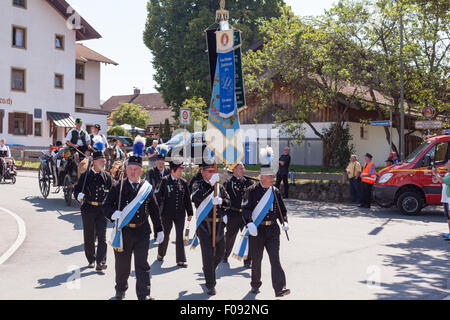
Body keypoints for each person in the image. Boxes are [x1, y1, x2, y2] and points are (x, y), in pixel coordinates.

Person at [103, 136, 164, 300]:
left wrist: (159, 230)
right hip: (124, 232)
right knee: (122, 265)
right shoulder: (118, 186)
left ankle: (144, 294)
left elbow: (154, 209)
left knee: (142, 265)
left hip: (142, 231)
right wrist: (112, 214)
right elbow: (106, 206)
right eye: (130, 169)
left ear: (141, 171)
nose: (133, 172)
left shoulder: (147, 188)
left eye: (136, 169)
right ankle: (120, 290)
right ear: (126, 170)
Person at [241, 147, 290, 297]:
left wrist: (285, 222)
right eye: (270, 177)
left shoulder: (275, 191)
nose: (273, 179)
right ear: (262, 177)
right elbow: (245, 209)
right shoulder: (251, 190)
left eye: (273, 176)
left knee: (275, 259)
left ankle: (279, 288)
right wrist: (249, 222)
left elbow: (282, 209)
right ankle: (255, 284)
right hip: (257, 230)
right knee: (256, 260)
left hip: (272, 230)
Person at [191, 161, 230, 295]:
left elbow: (228, 201)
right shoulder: (198, 184)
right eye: (209, 171)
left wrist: (221, 202)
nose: (212, 173)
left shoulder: (219, 186)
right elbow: (195, 198)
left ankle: (209, 270)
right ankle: (210, 284)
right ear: (202, 172)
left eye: (214, 171)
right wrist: (210, 188)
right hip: (204, 225)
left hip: (218, 224)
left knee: (220, 252)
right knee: (207, 255)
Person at [74, 139, 113, 272]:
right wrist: (78, 195)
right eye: (102, 161)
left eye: (105, 160)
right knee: (89, 236)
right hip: (89, 209)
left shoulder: (107, 177)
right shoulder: (86, 176)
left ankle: (100, 262)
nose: (104, 162)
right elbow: (77, 189)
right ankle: (91, 259)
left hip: (102, 210)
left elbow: (114, 191)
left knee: (102, 237)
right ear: (95, 162)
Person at [155, 161, 193, 267]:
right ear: (172, 171)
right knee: (165, 234)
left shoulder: (183, 182)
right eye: (179, 170)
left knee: (179, 236)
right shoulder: (164, 181)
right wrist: (157, 212)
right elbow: (157, 196)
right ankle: (161, 253)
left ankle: (180, 260)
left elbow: (187, 199)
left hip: (180, 213)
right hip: (167, 213)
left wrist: (189, 212)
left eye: (181, 170)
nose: (181, 172)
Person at [223, 162, 254, 267]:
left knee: (248, 237)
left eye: (243, 168)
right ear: (235, 170)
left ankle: (247, 260)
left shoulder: (248, 183)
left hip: (246, 215)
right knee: (230, 237)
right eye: (241, 168)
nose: (243, 170)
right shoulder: (228, 183)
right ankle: (224, 255)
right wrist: (224, 214)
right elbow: (224, 199)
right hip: (233, 213)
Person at [432, 160, 450, 240]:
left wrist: (435, 173)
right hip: (446, 198)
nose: (445, 165)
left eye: (448, 164)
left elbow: (442, 180)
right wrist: (436, 177)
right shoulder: (447, 174)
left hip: (448, 198)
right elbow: (442, 181)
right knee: (448, 216)